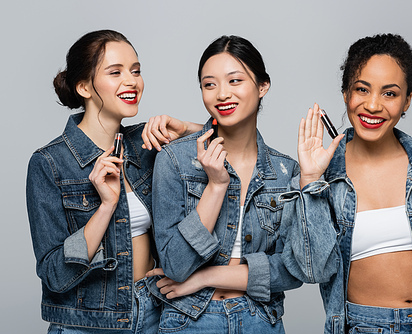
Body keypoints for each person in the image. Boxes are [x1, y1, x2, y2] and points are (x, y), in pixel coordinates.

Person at [280, 33, 412, 333]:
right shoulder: (322, 178)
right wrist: (310, 181)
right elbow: (312, 269)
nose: (372, 105)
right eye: (362, 89)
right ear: (346, 93)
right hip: (366, 326)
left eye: (390, 93)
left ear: (407, 100)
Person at [26, 29, 198, 333]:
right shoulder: (50, 163)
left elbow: (233, 141)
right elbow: (54, 274)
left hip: (154, 312)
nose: (131, 81)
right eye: (115, 72)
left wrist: (184, 129)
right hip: (87, 324)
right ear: (84, 87)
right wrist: (106, 206)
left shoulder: (146, 145)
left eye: (136, 71)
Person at [148, 35, 302, 333]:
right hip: (189, 319)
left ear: (262, 86)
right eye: (209, 84)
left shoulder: (285, 172)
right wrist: (216, 186)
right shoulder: (176, 160)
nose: (221, 94)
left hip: (259, 319)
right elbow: (175, 266)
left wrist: (206, 277)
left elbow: (290, 270)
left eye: (235, 81)